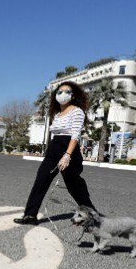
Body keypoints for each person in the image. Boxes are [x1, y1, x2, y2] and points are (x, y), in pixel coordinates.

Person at [14, 81, 97, 225]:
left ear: (72, 96)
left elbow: (75, 135)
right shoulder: (57, 114)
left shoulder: (77, 111)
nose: (62, 94)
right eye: (59, 92)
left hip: (69, 148)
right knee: (41, 180)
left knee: (74, 185)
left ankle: (93, 215)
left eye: (67, 91)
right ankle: (30, 215)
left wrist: (67, 155)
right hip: (54, 147)